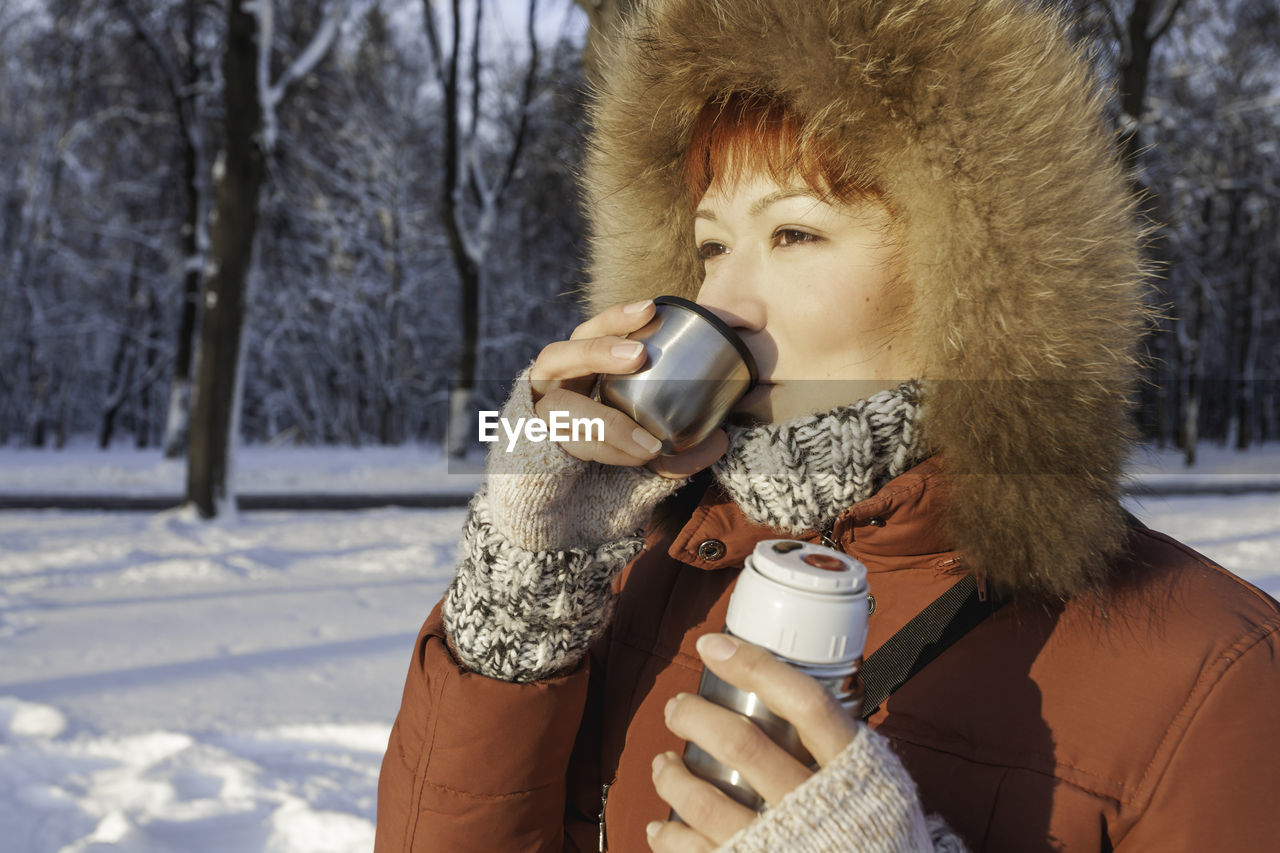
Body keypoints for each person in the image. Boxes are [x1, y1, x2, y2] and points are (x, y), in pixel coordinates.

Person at [375, 0, 1280, 850]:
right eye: (712, 245)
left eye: (795, 234)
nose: (719, 301)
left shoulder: (1212, 672)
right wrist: (520, 590)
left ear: (973, 272)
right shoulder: (633, 569)